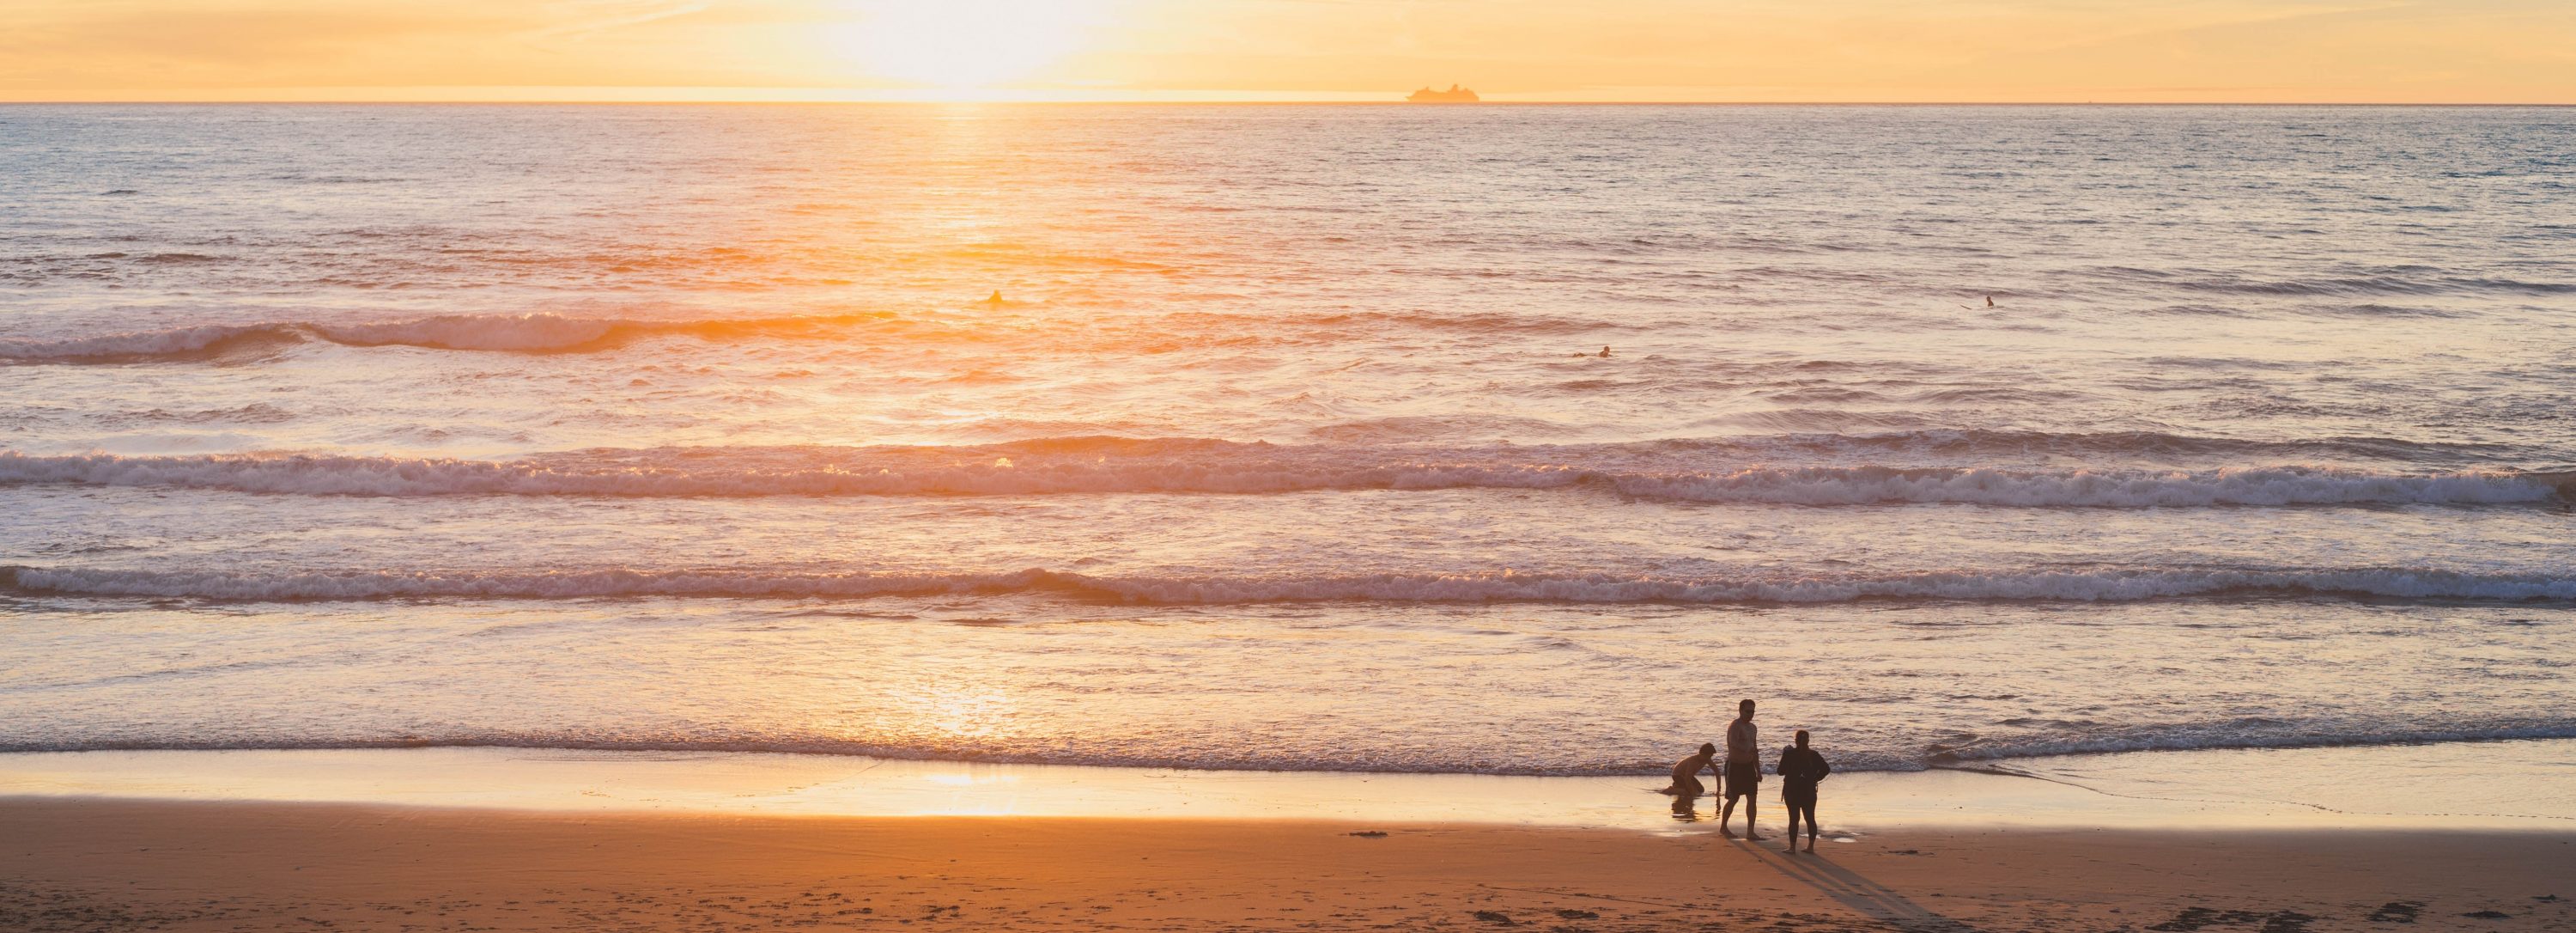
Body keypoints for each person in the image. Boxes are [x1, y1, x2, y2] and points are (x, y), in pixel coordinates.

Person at [1777, 729, 1832, 852]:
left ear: (1796, 741)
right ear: (1808, 741)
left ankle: (1792, 848)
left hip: (1792, 792)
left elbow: (1780, 771)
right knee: (1810, 819)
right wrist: (1815, 779)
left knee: (1794, 819)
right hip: (1809, 791)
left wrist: (1785, 753)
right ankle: (1810, 847)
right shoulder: (1814, 755)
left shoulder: (1789, 754)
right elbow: (1826, 769)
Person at [1717, 698, 1763, 838]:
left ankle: (1750, 831)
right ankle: (1723, 827)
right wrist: (1747, 748)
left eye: (1753, 712)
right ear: (1740, 711)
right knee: (1733, 798)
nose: (1751, 714)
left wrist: (1758, 770)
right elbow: (1733, 743)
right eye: (1748, 711)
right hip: (1735, 766)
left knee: (1752, 798)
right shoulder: (1735, 726)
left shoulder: (1753, 728)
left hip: (1748, 766)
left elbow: (1755, 750)